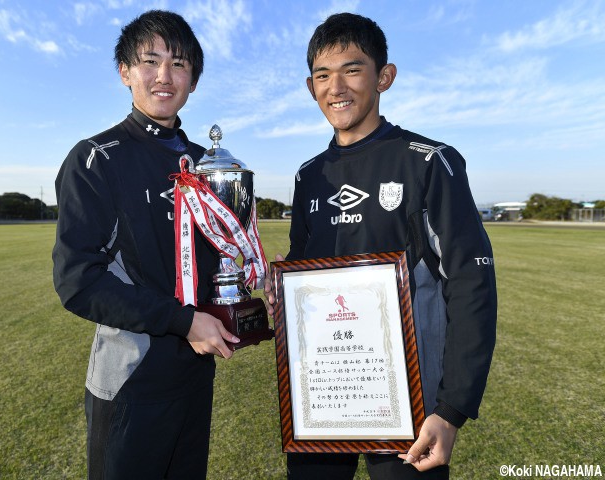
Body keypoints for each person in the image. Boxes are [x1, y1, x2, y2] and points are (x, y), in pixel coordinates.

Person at [265, 12, 497, 479]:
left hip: (410, 407)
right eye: (322, 75)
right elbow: (304, 271)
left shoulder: (430, 163)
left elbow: (472, 283)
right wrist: (281, 287)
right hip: (323, 398)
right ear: (311, 87)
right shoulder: (310, 176)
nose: (337, 87)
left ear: (384, 77)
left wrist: (451, 409)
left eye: (352, 70)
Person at [52, 10, 238, 480]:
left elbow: (218, 258)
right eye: (150, 61)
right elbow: (78, 282)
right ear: (125, 72)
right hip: (131, 381)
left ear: (193, 79)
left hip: (196, 374)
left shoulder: (204, 164)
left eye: (178, 64)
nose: (164, 76)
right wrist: (181, 321)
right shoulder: (96, 159)